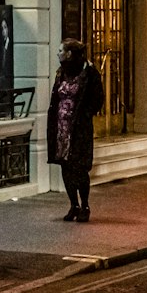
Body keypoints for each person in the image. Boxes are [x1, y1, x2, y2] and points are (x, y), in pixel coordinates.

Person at [47, 39, 104, 220]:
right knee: (66, 167)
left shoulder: (89, 73)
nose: (58, 54)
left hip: (79, 128)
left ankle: (85, 205)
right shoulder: (61, 73)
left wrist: (85, 114)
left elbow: (97, 98)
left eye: (60, 51)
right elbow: (55, 98)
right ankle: (73, 204)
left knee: (79, 168)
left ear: (69, 53)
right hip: (62, 128)